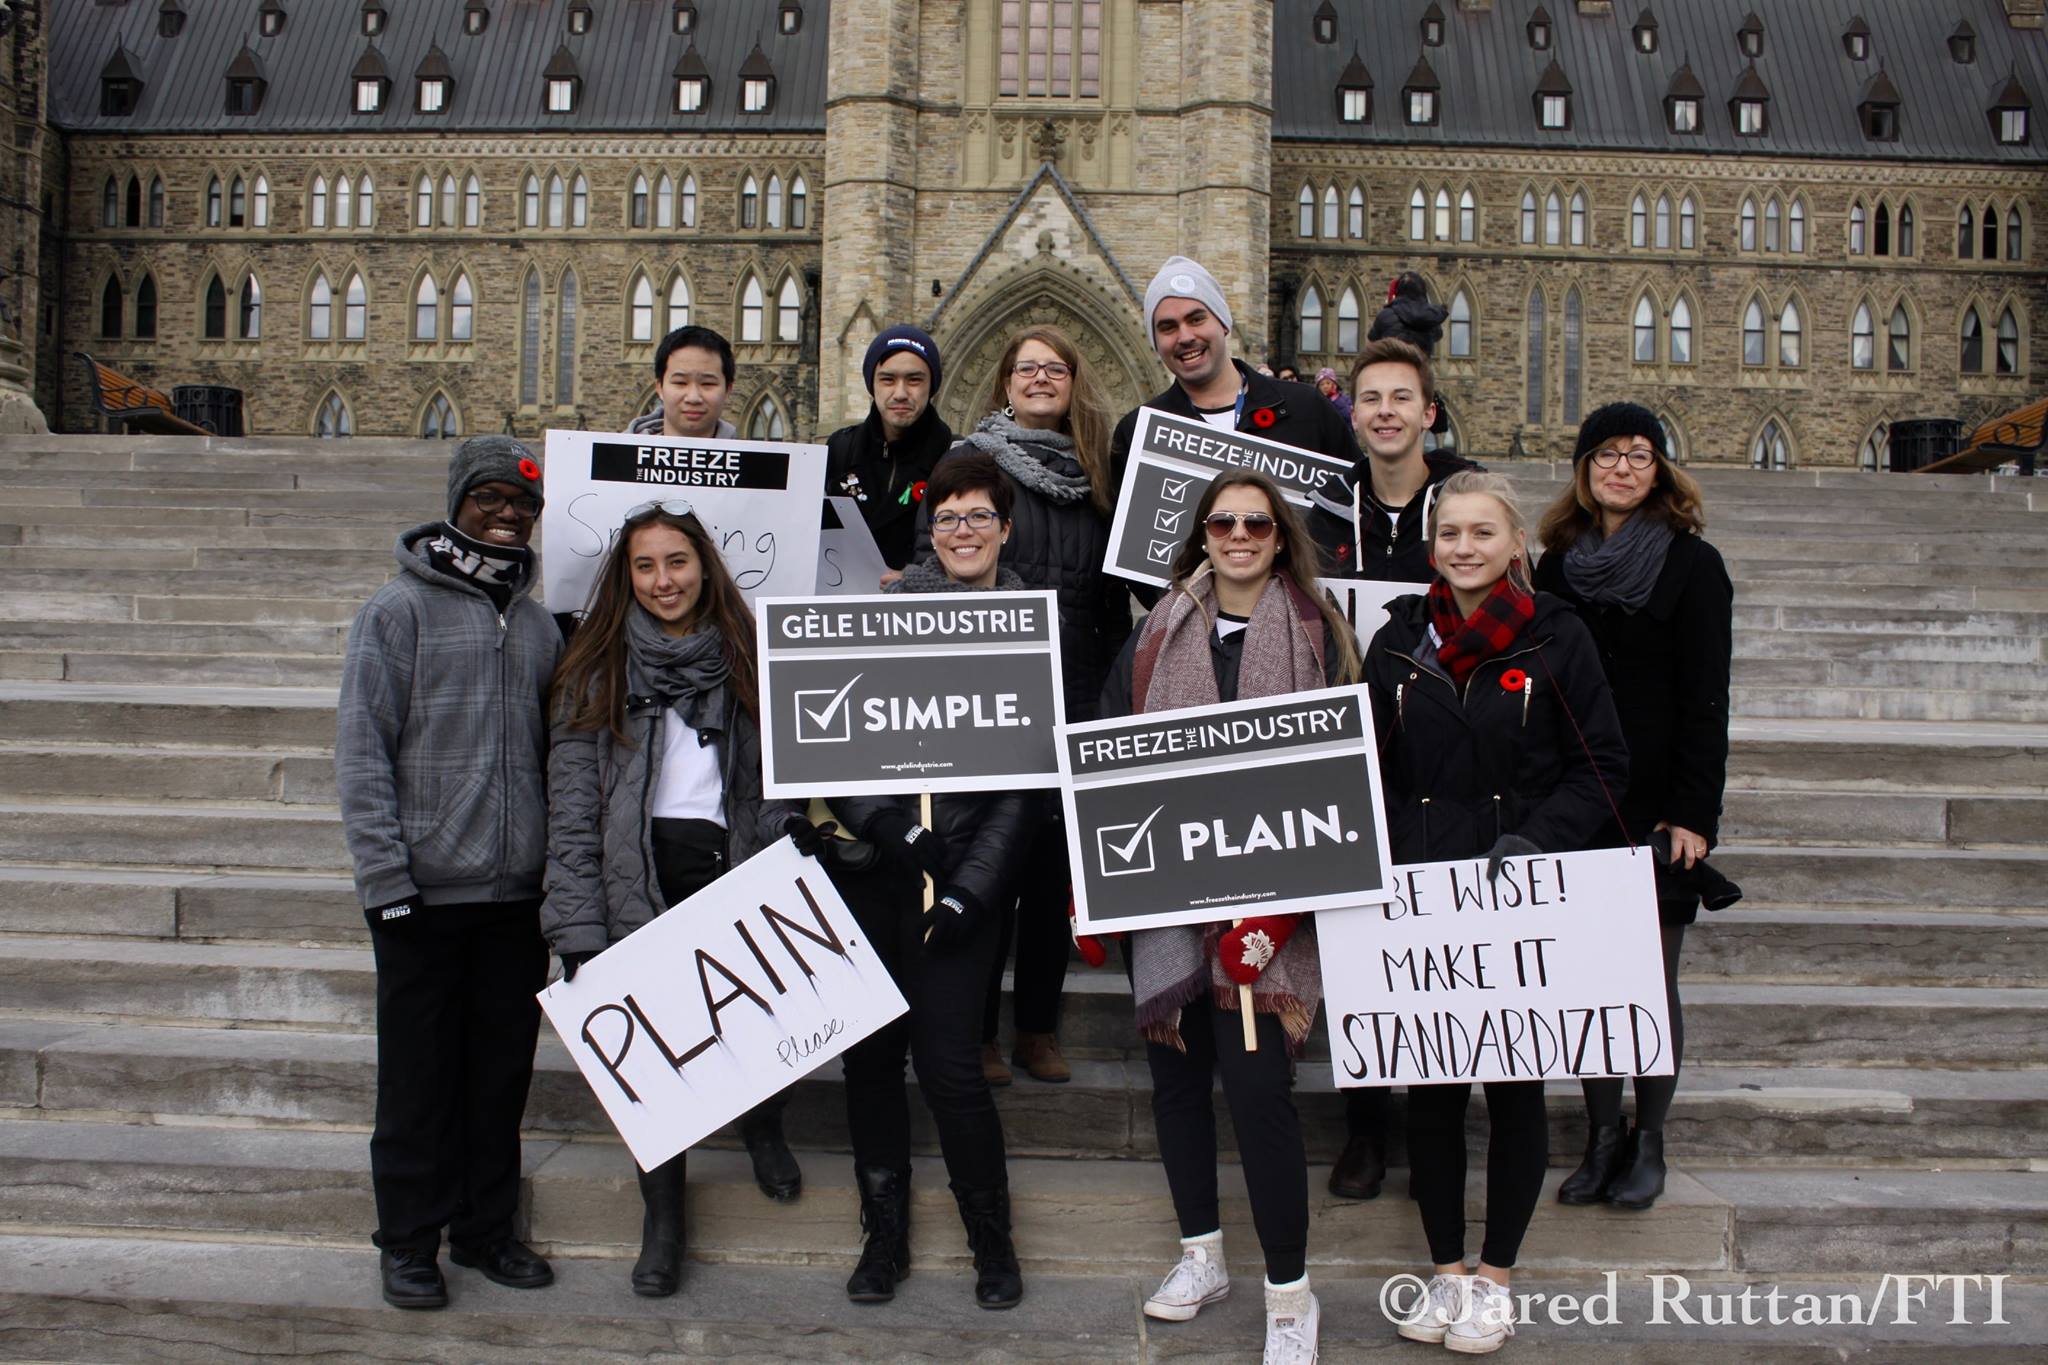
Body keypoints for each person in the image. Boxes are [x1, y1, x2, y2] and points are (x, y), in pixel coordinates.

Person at [1098, 469, 1358, 1365]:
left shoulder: (1319, 633)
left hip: (1273, 911)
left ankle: (1291, 1295)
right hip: (1169, 907)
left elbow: (1345, 774)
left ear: (1280, 535)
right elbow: (1109, 757)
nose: (1239, 535)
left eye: (1256, 521)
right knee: (1178, 1086)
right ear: (1201, 535)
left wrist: (1280, 916)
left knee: (1256, 1093)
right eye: (1222, 522)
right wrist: (1102, 882)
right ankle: (1201, 1255)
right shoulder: (1155, 632)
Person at [1368, 471, 1628, 1354]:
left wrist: (1536, 840)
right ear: (1433, 544)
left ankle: (1496, 1277)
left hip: (1518, 893)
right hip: (1423, 896)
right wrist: (1387, 854)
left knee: (1516, 1091)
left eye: (1483, 532)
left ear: (1517, 543)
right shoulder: (1398, 638)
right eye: (1450, 533)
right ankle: (1445, 1272)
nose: (1465, 547)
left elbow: (1602, 766)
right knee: (1433, 1092)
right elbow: (1370, 767)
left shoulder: (1558, 635)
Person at [540, 501, 803, 1297]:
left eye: (677, 561)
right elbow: (571, 806)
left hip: (732, 859)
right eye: (645, 565)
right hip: (636, 870)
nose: (663, 580)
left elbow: (781, 775)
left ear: (704, 566)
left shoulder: (750, 653)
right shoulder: (594, 667)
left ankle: (763, 1121)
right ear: (626, 576)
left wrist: (787, 838)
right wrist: (576, 919)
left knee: (752, 1010)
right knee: (655, 1057)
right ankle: (664, 1219)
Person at [336, 436, 560, 1310]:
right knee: (417, 1082)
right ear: (458, 500)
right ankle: (407, 1241)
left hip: (514, 896)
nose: (507, 514)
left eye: (523, 503)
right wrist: (384, 883)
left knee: (498, 1077)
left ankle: (484, 1229)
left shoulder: (537, 625)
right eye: (490, 496)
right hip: (421, 897)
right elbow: (362, 752)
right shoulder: (396, 610)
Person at [810, 452, 1033, 1310]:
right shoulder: (885, 614)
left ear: (1004, 527)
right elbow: (831, 738)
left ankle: (991, 1239)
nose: (962, 531)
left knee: (950, 1069)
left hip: (964, 888)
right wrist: (885, 823)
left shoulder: (1026, 626)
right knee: (872, 1062)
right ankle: (884, 1238)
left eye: (978, 516)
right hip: (879, 878)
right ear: (929, 531)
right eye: (947, 517)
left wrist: (975, 885)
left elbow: (1025, 784)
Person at [1535, 403, 1734, 1214]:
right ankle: (1600, 1138)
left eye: (1639, 454)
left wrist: (1694, 813)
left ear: (1660, 470)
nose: (1622, 467)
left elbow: (1706, 699)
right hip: (1580, 800)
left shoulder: (1694, 565)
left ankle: (1648, 1137)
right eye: (1607, 453)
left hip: (1657, 807)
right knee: (1591, 979)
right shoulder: (1556, 567)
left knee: (1650, 974)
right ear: (1584, 469)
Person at [921, 324, 1131, 1086]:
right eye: (1026, 368)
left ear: (1074, 383)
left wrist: (1108, 700)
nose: (1040, 378)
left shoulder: (1101, 476)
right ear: (1004, 382)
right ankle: (978, 1032)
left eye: (1055, 369)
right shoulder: (969, 462)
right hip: (988, 698)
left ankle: (1038, 1029)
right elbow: (932, 557)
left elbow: (1115, 599)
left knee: (1049, 874)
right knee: (988, 869)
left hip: (1074, 691)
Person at [1111, 257, 1356, 475]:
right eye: (1168, 327)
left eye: (1196, 319)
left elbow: (1358, 499)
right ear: (1156, 343)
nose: (1185, 337)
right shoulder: (1136, 432)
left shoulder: (1306, 407)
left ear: (1224, 323)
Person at [824, 325, 954, 585]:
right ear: (871, 385)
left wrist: (916, 579)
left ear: (932, 386)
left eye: (914, 380)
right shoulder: (839, 449)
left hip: (920, 603)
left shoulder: (954, 455)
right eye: (888, 379)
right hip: (844, 596)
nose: (901, 393)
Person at [1370, 272, 1457, 452]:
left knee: (1390, 419)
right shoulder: (1430, 317)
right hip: (1418, 375)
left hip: (1391, 374)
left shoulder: (1386, 315)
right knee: (1415, 419)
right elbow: (1437, 335)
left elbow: (1373, 338)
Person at [628, 324, 740, 439]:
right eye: (680, 382)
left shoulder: (746, 451)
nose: (693, 398)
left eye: (707, 383)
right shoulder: (621, 450)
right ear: (659, 387)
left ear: (728, 390)